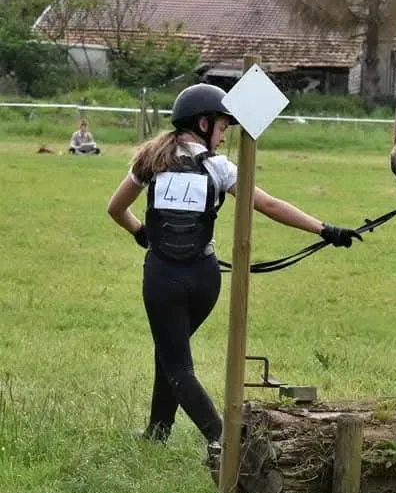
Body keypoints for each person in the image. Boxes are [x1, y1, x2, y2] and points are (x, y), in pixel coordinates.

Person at [106, 83, 361, 458]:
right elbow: (270, 205)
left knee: (176, 361)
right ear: (204, 123)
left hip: (163, 277)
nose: (224, 138)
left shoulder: (149, 161)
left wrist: (141, 232)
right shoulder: (218, 167)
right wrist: (326, 229)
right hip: (205, 279)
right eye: (224, 128)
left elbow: (115, 209)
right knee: (171, 350)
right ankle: (158, 430)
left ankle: (225, 441)